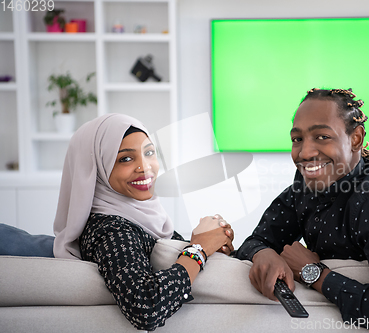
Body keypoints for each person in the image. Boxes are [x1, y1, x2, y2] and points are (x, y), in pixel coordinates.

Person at [236, 88, 369, 332]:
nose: (304, 153)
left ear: (356, 139)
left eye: (322, 136)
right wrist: (263, 253)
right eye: (297, 139)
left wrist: (314, 274)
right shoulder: (306, 185)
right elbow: (255, 240)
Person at [53, 113, 234, 331]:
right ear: (94, 169)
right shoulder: (111, 230)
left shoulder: (141, 216)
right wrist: (198, 249)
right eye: (126, 159)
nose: (145, 167)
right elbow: (146, 308)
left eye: (149, 153)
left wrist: (214, 246)